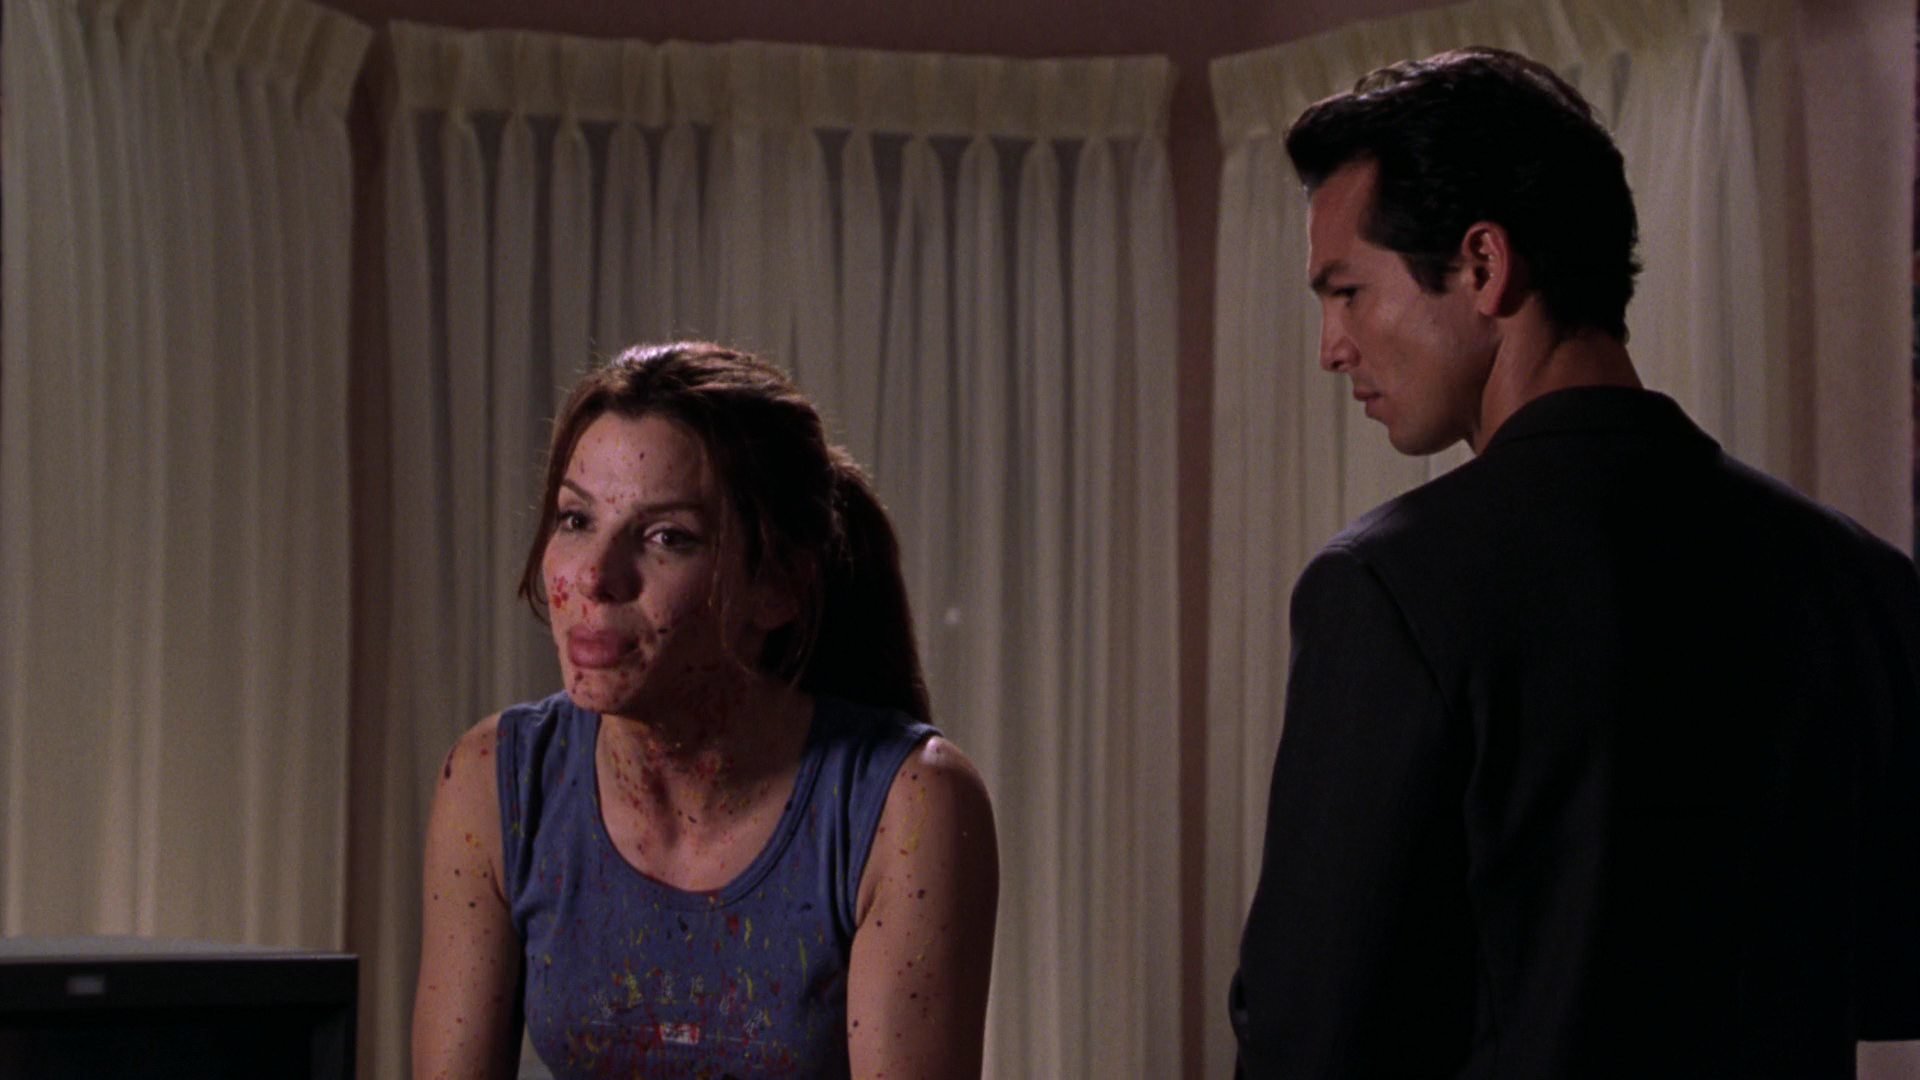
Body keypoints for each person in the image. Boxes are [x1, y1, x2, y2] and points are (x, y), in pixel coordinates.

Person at [1231, 46, 1920, 1078]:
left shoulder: (1391, 592)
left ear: (1482, 265)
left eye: (1348, 292)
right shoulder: (1856, 579)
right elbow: (1893, 973)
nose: (1333, 345)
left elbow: (1307, 1034)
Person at [413, 343, 999, 1079]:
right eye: (575, 519)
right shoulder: (495, 783)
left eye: (667, 537)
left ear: (778, 588)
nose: (595, 576)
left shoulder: (905, 808)